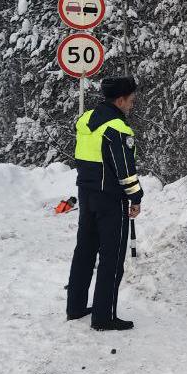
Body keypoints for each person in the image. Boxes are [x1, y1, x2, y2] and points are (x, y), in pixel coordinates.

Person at [66, 76, 143, 331]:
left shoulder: (87, 120)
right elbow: (124, 170)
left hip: (86, 194)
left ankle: (75, 307)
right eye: (131, 100)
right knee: (111, 258)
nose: (132, 105)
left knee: (84, 252)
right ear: (120, 100)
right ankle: (104, 316)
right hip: (110, 199)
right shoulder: (117, 129)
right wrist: (135, 196)